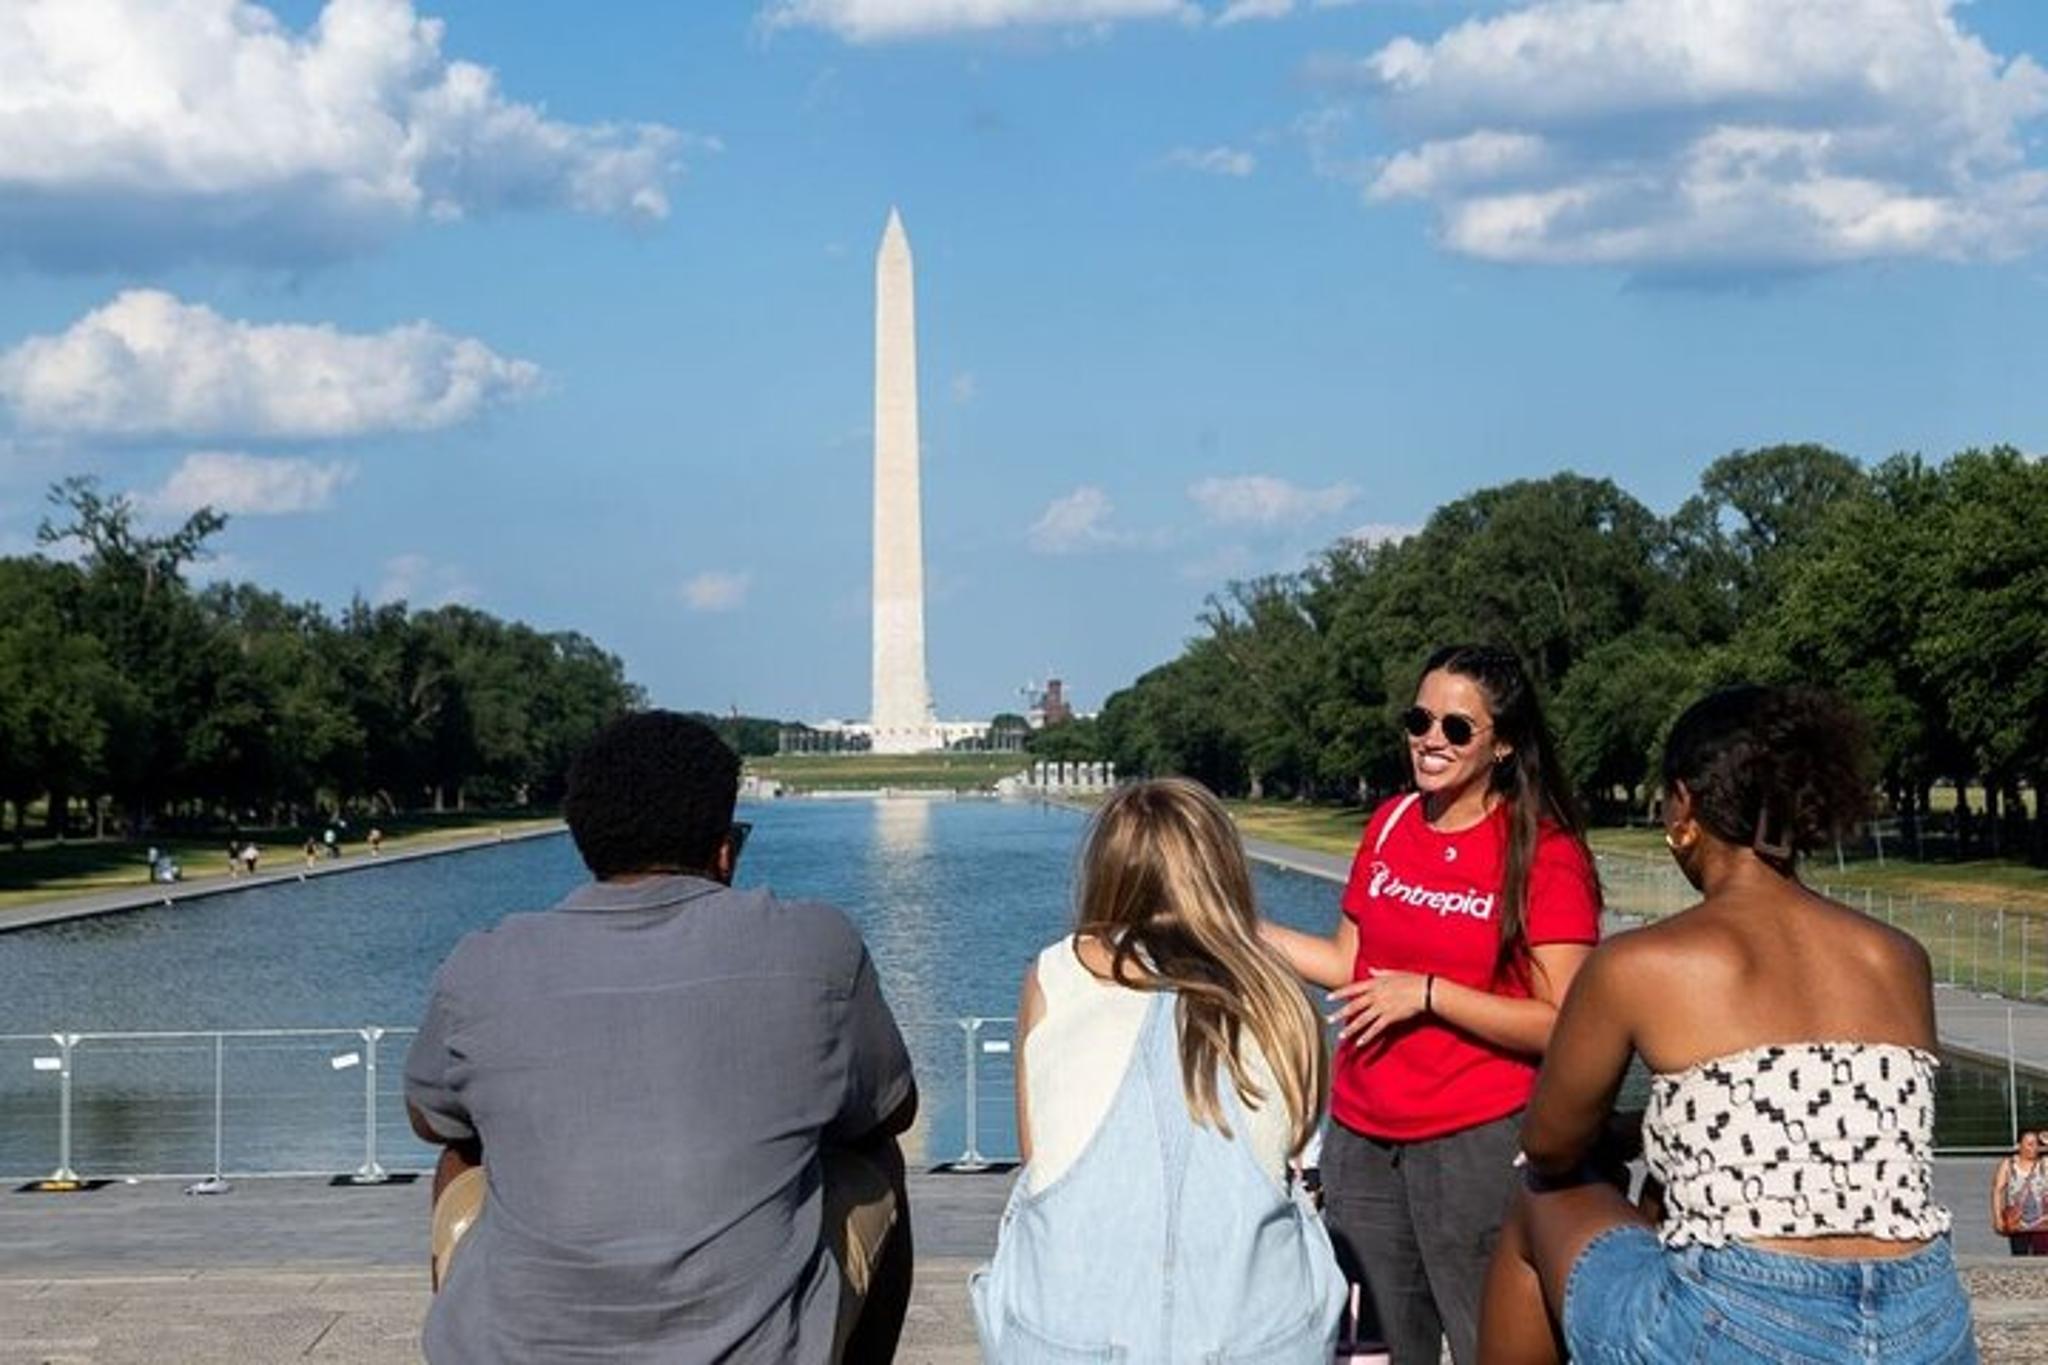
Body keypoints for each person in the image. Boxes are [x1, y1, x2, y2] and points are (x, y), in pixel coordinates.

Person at [1478, 684, 1975, 1364]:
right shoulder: (1898, 957)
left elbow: (1549, 1145)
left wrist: (1622, 1136)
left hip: (1748, 1322)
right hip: (1924, 1322)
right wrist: (1662, 1133)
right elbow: (1824, 1119)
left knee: (1538, 1202)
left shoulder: (1642, 960)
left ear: (1684, 803)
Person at [404, 710, 917, 1364]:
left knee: (461, 1152)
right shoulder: (818, 944)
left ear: (585, 844)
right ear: (724, 849)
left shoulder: (479, 963)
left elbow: (428, 1116)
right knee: (873, 1156)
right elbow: (893, 1108)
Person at [1263, 644, 1601, 1365]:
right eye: (1420, 719)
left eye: (1456, 727)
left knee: (1492, 1344)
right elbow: (1352, 966)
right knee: (1374, 1352)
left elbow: (1568, 1022)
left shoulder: (1544, 851)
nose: (1430, 739)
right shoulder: (1388, 823)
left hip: (1477, 1141)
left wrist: (1428, 995)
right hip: (1361, 1137)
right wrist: (1238, 926)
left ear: (1502, 743)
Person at [971, 778, 1346, 1363]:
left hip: (1069, 1336)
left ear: (1108, 869)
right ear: (1221, 867)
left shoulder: (1053, 975)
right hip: (1252, 1337)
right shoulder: (1281, 995)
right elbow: (1294, 1144)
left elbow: (1036, 1159)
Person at [1993, 1130, 2048, 1255]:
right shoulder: (2009, 1164)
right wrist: (1998, 1218)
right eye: (2029, 1144)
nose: (2033, 1148)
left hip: (2043, 1224)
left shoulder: (2044, 1163)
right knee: (2020, 1257)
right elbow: (1998, 1190)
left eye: (2036, 1144)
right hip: (2017, 1222)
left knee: (2043, 1260)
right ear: (2019, 1145)